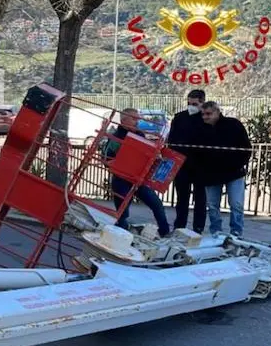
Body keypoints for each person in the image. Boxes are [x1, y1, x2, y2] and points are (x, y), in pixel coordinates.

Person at [104, 108, 171, 237]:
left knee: (157, 205)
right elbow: (107, 159)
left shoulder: (140, 134)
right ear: (124, 120)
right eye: (134, 118)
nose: (138, 121)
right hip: (122, 179)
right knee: (122, 213)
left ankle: (165, 232)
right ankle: (121, 237)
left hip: (139, 179)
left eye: (138, 118)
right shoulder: (116, 137)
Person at [198, 101, 252, 237]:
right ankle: (216, 230)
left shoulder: (233, 125)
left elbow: (246, 147)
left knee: (236, 204)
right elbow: (198, 152)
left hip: (234, 172)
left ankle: (236, 231)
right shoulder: (201, 129)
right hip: (211, 174)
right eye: (203, 114)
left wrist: (239, 164)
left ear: (217, 112)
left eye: (208, 114)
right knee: (212, 205)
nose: (205, 117)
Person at [167, 89, 208, 233]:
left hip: (200, 166)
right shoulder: (179, 118)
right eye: (189, 103)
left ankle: (198, 228)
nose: (191, 106)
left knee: (200, 199)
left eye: (195, 104)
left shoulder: (206, 119)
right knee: (181, 198)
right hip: (181, 165)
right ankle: (179, 226)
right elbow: (171, 140)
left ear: (202, 103)